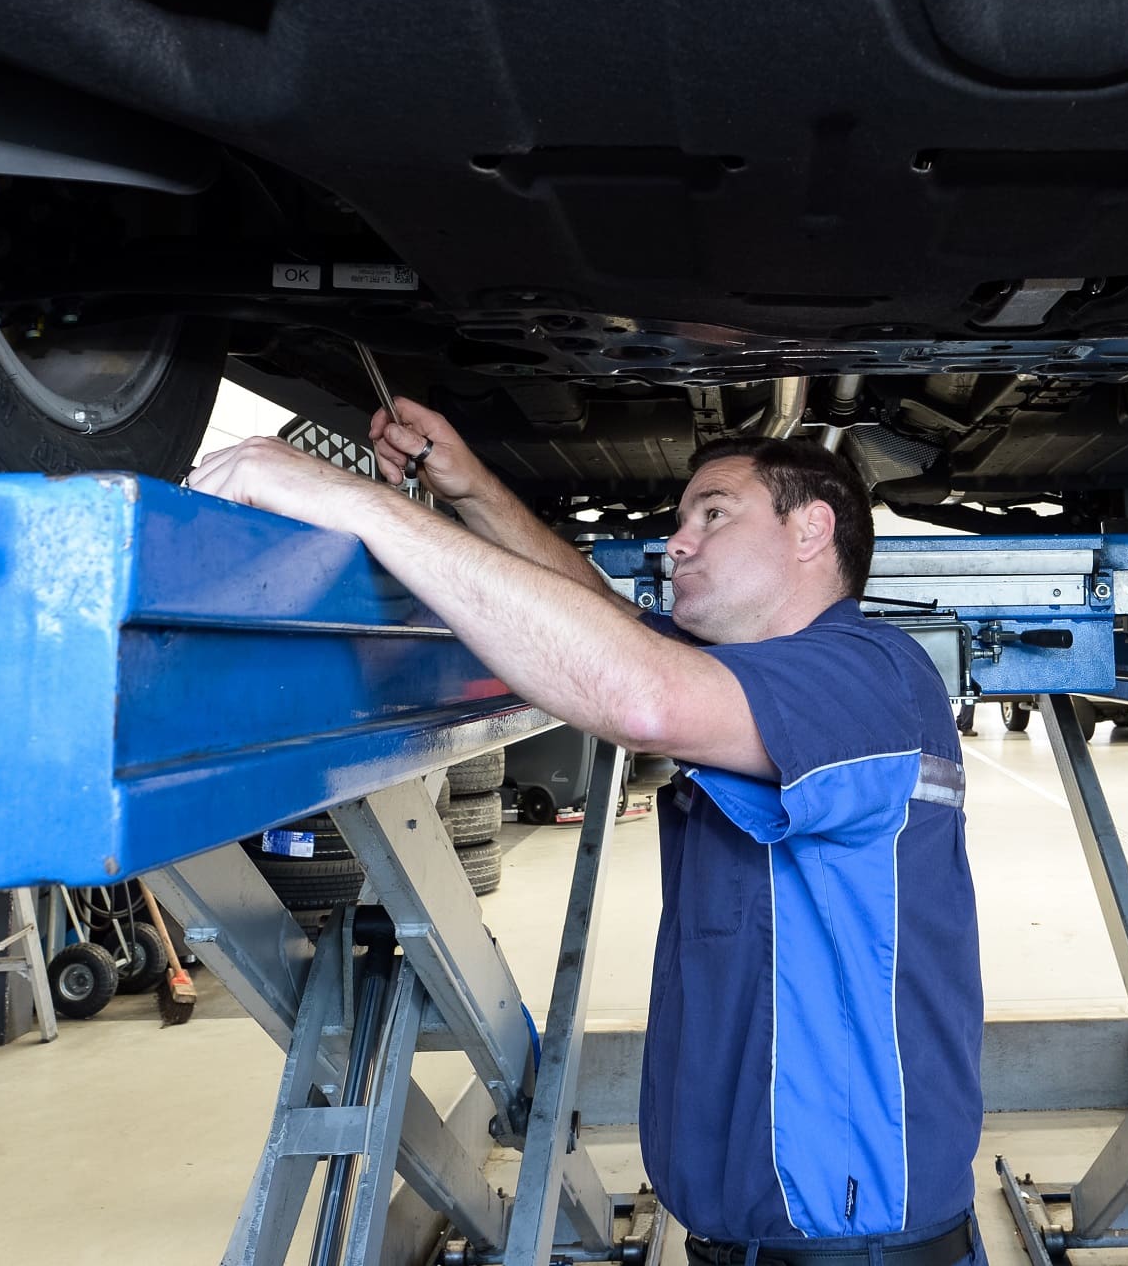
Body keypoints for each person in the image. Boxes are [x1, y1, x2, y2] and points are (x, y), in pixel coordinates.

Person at [187, 403, 984, 1263]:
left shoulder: (869, 676)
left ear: (811, 529)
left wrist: (351, 500)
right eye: (681, 522)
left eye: (713, 513)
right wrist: (472, 488)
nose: (676, 542)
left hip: (853, 1245)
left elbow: (641, 695)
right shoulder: (758, 679)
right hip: (750, 1234)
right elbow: (593, 618)